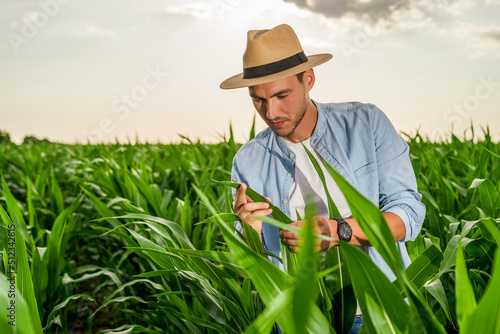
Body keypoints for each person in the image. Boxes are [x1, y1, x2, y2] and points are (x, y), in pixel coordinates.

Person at [219, 23, 425, 333]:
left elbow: (408, 214)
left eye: (281, 95)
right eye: (258, 100)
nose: (271, 112)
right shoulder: (247, 160)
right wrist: (251, 235)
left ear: (309, 79)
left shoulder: (366, 124)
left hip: (379, 311)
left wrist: (336, 230)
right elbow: (249, 265)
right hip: (298, 320)